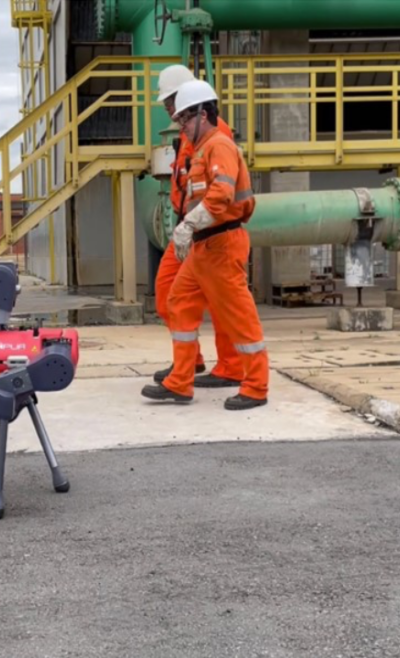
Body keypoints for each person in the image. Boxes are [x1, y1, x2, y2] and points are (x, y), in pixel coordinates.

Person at [142, 79, 269, 411]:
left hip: (222, 243)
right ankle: (180, 382)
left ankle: (256, 386)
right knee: (179, 301)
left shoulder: (218, 146)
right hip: (203, 246)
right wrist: (190, 230)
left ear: (203, 113)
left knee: (239, 316)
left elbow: (221, 196)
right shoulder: (200, 150)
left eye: (185, 118)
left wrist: (188, 225)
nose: (181, 125)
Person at [151, 66, 243, 390]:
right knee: (166, 293)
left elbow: (220, 190)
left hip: (212, 232)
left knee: (220, 301)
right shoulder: (185, 134)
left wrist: (194, 223)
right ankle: (190, 359)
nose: (167, 108)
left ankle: (232, 367)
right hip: (190, 230)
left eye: (170, 101)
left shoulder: (217, 134)